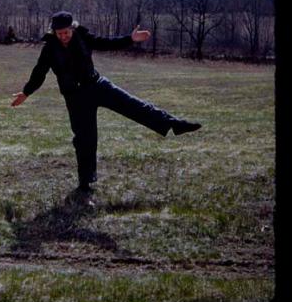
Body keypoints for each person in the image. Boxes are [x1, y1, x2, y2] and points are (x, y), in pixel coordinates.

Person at [11, 11, 201, 194]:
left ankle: (173, 124)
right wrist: (26, 92)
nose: (64, 36)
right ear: (54, 32)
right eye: (59, 33)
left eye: (67, 32)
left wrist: (130, 39)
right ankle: (85, 183)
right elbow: (39, 72)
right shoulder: (50, 49)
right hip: (75, 97)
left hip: (97, 85)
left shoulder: (83, 36)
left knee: (133, 104)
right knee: (85, 139)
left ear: (73, 28)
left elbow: (105, 43)